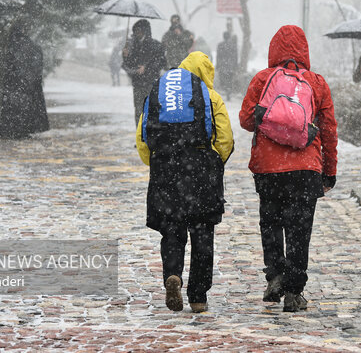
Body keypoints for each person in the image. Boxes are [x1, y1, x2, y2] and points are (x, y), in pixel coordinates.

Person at [239, 25, 338, 313]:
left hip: (269, 168)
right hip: (306, 168)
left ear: (274, 49)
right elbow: (329, 131)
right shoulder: (317, 83)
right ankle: (295, 292)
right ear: (305, 50)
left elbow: (246, 120)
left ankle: (276, 276)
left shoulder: (262, 79)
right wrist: (329, 170)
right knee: (299, 230)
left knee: (270, 224)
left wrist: (268, 117)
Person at [136, 51, 234, 313]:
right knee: (202, 233)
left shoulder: (161, 94)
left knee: (172, 229)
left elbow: (143, 138)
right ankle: (199, 295)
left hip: (165, 170)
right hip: (201, 171)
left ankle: (173, 274)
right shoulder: (210, 97)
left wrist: (157, 164)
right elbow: (224, 139)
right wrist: (214, 164)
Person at [0, 19, 49, 139]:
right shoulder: (28, 45)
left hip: (15, 82)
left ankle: (11, 130)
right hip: (26, 82)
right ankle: (23, 130)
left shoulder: (12, 45)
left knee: (14, 106)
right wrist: (33, 77)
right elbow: (36, 60)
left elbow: (9, 64)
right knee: (25, 107)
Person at [122, 19, 167, 126]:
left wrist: (146, 68)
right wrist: (125, 55)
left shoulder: (156, 45)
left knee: (151, 110)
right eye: (135, 30)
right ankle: (140, 136)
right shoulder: (132, 45)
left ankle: (150, 135)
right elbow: (128, 65)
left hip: (151, 82)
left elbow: (162, 62)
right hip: (138, 83)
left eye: (139, 30)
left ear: (145, 30)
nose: (137, 33)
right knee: (138, 110)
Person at [216, 31, 238, 100]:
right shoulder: (233, 45)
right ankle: (228, 90)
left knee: (224, 79)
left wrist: (218, 64)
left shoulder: (220, 45)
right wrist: (235, 65)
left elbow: (218, 56)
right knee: (230, 79)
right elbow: (235, 56)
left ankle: (226, 89)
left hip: (223, 65)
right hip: (230, 65)